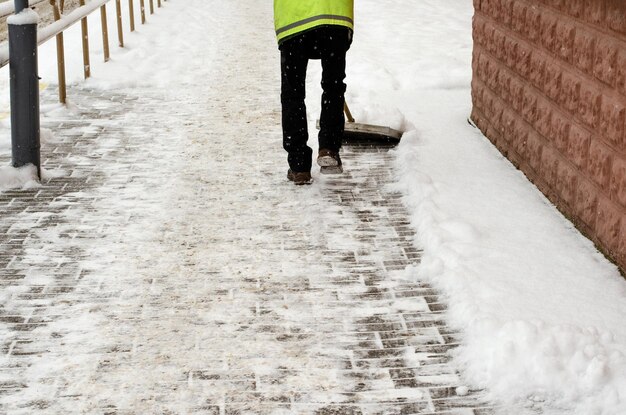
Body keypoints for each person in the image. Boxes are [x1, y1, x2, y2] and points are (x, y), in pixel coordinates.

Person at [274, 0, 354, 185]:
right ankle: (329, 148)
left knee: (292, 93)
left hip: (293, 18)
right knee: (333, 86)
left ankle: (299, 165)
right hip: (334, 15)